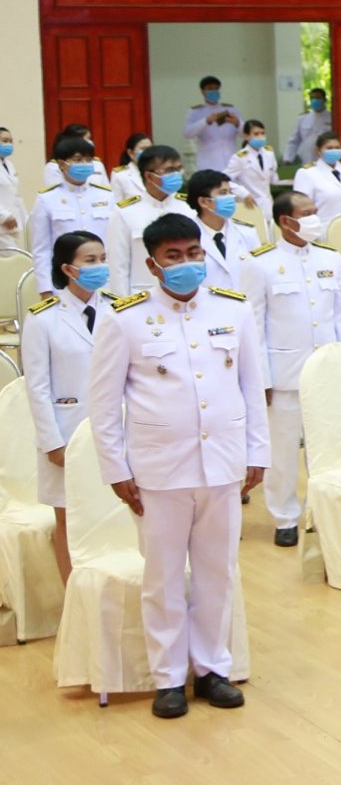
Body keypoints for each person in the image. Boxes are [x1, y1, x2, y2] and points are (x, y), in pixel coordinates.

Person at [89, 213, 268, 718]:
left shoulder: (233, 309)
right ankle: (168, 678)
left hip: (223, 463)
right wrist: (116, 469)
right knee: (163, 577)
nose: (187, 263)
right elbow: (103, 403)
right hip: (159, 468)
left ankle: (212, 669)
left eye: (193, 253)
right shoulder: (124, 317)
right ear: (153, 264)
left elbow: (252, 386)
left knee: (217, 572)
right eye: (174, 256)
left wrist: (257, 452)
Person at [240, 188, 341, 547]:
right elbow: (254, 326)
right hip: (284, 374)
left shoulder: (330, 258)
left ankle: (322, 514)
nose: (315, 218)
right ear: (286, 221)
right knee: (282, 452)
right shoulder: (260, 263)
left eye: (316, 210)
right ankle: (285, 517)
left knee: (327, 448)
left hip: (327, 373)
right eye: (307, 213)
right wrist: (261, 379)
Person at [24, 229, 111, 582]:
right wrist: (52, 442)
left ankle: (107, 593)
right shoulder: (43, 318)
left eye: (102, 258)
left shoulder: (118, 309)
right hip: (67, 431)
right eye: (90, 260)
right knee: (69, 520)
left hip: (113, 430)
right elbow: (37, 386)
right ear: (68, 269)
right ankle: (74, 598)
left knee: (113, 516)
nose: (99, 266)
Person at [29, 134, 117, 295]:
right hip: (64, 281)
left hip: (103, 280)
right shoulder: (47, 199)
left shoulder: (106, 196)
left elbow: (115, 243)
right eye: (78, 160)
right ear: (62, 164)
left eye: (88, 159)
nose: (84, 164)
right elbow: (41, 250)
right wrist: (46, 289)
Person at [108, 145, 198, 296]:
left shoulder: (189, 207)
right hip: (144, 296)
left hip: (186, 294)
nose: (177, 175)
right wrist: (122, 302)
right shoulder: (125, 212)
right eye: (170, 170)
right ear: (149, 176)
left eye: (178, 169)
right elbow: (118, 266)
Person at [186, 170, 258, 290]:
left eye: (230, 192)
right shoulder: (186, 237)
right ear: (203, 202)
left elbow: (259, 275)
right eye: (223, 193)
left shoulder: (247, 233)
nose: (230, 198)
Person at [291, 131, 341, 224]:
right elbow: (301, 207)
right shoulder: (307, 173)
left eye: (337, 148)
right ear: (318, 151)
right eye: (329, 148)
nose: (334, 151)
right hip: (323, 228)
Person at [184, 76, 243, 173]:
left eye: (216, 89)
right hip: (208, 162)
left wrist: (237, 123)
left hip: (231, 160)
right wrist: (206, 121)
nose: (214, 92)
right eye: (210, 89)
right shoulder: (195, 112)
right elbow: (187, 133)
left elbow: (245, 134)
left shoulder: (232, 109)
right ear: (203, 92)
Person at [226, 121, 277, 210]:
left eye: (262, 133)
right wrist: (243, 193)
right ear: (246, 136)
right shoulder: (240, 157)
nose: (260, 137)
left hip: (268, 203)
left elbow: (272, 175)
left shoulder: (269, 153)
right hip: (250, 205)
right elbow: (224, 179)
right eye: (256, 134)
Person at [283, 89, 333, 166]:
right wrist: (288, 158)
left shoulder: (332, 117)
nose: (315, 100)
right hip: (307, 159)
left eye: (318, 98)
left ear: (324, 100)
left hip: (327, 158)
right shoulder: (303, 118)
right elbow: (294, 141)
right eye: (312, 98)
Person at [0, 124, 22, 252]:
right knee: (12, 258)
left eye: (10, 141)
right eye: (4, 141)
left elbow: (14, 193)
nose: (8, 144)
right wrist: (4, 216)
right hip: (3, 221)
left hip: (13, 224)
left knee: (16, 256)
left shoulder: (9, 165)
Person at [109, 132, 148, 202]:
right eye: (143, 149)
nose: (148, 152)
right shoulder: (120, 175)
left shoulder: (158, 172)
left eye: (150, 149)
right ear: (130, 153)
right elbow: (116, 203)